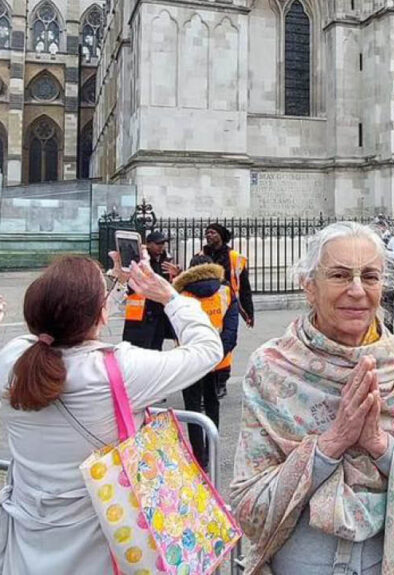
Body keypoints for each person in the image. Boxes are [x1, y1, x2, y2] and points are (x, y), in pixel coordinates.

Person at [230, 222, 394, 575]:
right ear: (309, 286)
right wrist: (332, 443)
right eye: (339, 275)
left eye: (370, 277)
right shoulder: (272, 368)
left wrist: (381, 446)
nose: (357, 290)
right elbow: (248, 503)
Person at [0, 254, 222, 574]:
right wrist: (169, 296)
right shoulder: (119, 370)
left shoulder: (12, 360)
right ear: (100, 314)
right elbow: (207, 349)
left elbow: (70, 326)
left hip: (28, 543)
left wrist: (114, 286)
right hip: (101, 550)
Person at [173, 254, 239, 471]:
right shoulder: (225, 290)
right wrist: (218, 353)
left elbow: (173, 328)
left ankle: (199, 458)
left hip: (189, 361)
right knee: (212, 404)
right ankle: (212, 450)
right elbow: (231, 330)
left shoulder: (181, 294)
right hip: (216, 361)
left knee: (192, 408)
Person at [201, 223, 254, 398]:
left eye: (213, 232)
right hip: (205, 306)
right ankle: (207, 380)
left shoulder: (235, 258)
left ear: (221, 235)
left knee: (227, 342)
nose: (209, 235)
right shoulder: (201, 256)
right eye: (207, 233)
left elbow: (244, 287)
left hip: (228, 305)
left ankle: (221, 381)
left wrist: (248, 312)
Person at [122, 230, 180, 350]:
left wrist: (177, 274)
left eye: (163, 244)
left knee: (156, 347)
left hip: (158, 313)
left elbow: (169, 286)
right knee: (138, 349)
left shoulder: (165, 261)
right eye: (158, 244)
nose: (161, 247)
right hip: (140, 313)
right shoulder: (140, 260)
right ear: (148, 244)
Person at [372, 215, 394, 333]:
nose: (379, 227)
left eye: (380, 225)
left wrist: (384, 252)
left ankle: (389, 329)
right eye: (377, 225)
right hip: (377, 276)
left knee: (388, 305)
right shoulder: (375, 239)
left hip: (389, 277)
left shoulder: (393, 239)